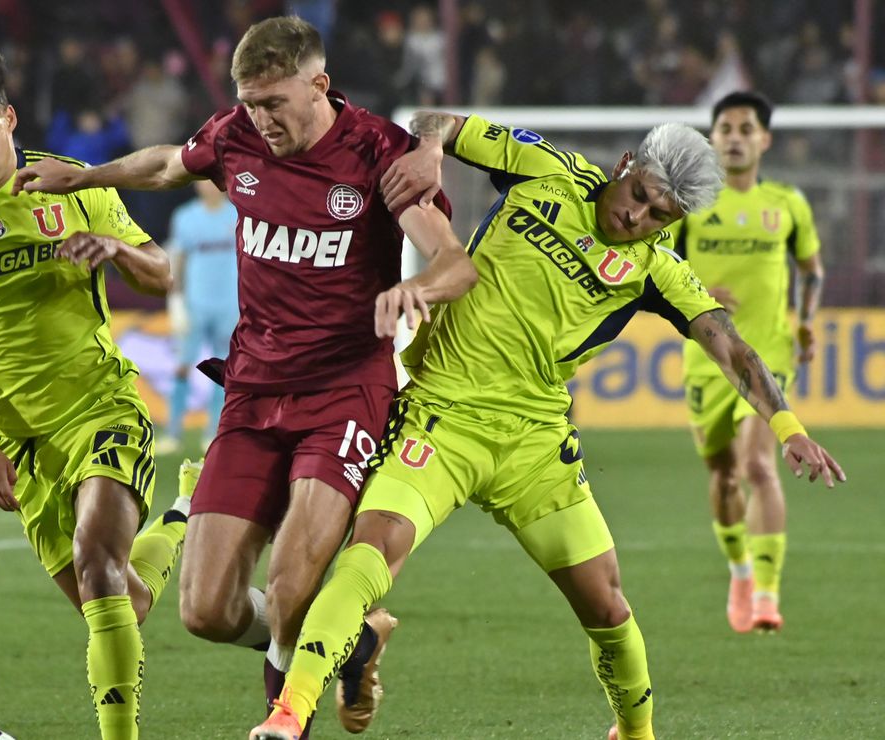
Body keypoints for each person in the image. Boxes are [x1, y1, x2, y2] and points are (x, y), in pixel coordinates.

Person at [250, 111, 846, 740]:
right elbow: (438, 121)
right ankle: (289, 714)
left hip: (535, 447)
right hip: (441, 418)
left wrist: (788, 427)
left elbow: (731, 349)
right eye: (639, 196)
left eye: (660, 217)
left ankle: (634, 732)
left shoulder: (657, 271)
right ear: (624, 165)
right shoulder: (543, 168)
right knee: (369, 554)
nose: (637, 219)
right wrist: (428, 148)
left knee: (608, 606)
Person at [12, 16, 478, 735]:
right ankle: (350, 640)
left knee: (291, 587)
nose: (261, 121)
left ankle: (281, 722)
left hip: (345, 392)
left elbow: (454, 260)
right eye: (251, 104)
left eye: (274, 104)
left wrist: (421, 288)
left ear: (319, 85)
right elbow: (170, 163)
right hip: (254, 390)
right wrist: (86, 175)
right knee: (205, 609)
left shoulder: (377, 151)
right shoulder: (235, 135)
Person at [0, 50, 191, 740]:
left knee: (97, 566)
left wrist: (115, 250)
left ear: (9, 118)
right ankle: (189, 508)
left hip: (99, 408)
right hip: (19, 441)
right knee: (125, 601)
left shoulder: (68, 183)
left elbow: (163, 273)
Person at [667, 91, 824, 633]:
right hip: (708, 356)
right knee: (724, 475)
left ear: (764, 139)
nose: (735, 136)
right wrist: (695, 290)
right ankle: (738, 573)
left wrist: (806, 319)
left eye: (745, 127)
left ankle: (766, 593)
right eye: (725, 127)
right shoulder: (688, 204)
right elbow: (653, 264)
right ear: (713, 139)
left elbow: (812, 269)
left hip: (770, 352)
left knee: (760, 464)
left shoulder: (786, 203)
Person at [161, 179, 239, 454]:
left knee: (224, 369)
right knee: (182, 366)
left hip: (230, 304)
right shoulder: (185, 217)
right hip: (196, 303)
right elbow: (177, 259)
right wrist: (177, 301)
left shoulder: (239, 213)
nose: (209, 185)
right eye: (203, 180)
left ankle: (213, 430)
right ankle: (173, 432)